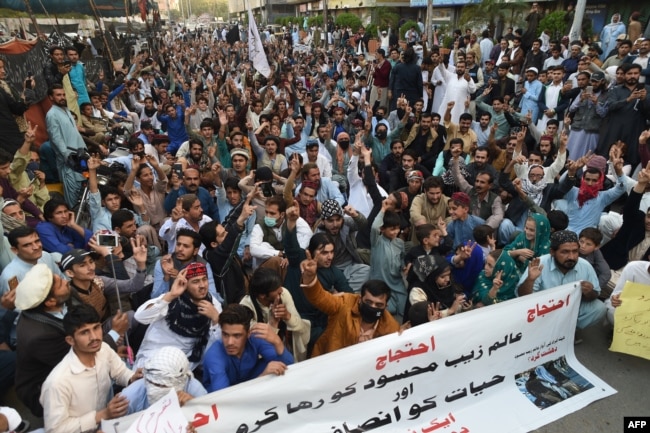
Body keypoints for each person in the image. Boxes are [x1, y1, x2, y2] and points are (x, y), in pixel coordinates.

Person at [40, 304, 142, 433]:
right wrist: (102, 415)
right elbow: (55, 429)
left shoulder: (103, 349)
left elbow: (121, 372)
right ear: (70, 340)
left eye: (96, 328)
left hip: (108, 424)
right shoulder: (57, 382)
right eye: (84, 332)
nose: (94, 337)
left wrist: (132, 377)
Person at [299, 251, 399, 357]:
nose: (372, 307)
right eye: (368, 302)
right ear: (360, 299)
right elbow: (320, 298)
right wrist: (310, 277)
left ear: (385, 307)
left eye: (378, 305)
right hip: (331, 364)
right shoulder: (345, 303)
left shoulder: (391, 327)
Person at [135, 263, 223, 369]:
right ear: (184, 284)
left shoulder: (213, 304)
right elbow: (140, 317)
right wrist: (171, 295)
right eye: (195, 281)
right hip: (154, 356)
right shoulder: (172, 299)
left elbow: (218, 343)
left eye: (204, 279)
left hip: (185, 362)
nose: (202, 285)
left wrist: (216, 319)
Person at [517, 230, 607, 330]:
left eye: (575, 251)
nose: (571, 257)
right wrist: (530, 280)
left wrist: (589, 292)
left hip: (569, 307)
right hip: (543, 309)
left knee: (599, 308)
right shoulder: (540, 264)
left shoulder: (585, 266)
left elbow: (595, 294)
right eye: (565, 252)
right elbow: (522, 298)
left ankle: (567, 331)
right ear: (552, 252)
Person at [202, 304, 294, 392]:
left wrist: (277, 342)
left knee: (275, 365)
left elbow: (289, 366)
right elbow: (224, 399)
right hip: (223, 397)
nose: (230, 342)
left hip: (250, 382)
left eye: (237, 336)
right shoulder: (214, 355)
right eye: (225, 335)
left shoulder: (255, 337)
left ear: (248, 333)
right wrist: (261, 379)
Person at [239, 267, 311, 361]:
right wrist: (273, 323)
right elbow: (259, 345)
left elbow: (300, 327)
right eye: (276, 289)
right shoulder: (245, 308)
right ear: (262, 295)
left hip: (284, 345)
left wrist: (288, 316)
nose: (281, 290)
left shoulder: (283, 294)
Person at [120, 346, 207, 414]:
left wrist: (195, 405)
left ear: (181, 381)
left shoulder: (195, 391)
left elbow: (212, 420)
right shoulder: (129, 397)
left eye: (164, 385)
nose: (156, 388)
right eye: (152, 382)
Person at [45, 84, 88, 208]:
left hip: (80, 159)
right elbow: (56, 138)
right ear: (51, 97)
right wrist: (67, 156)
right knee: (74, 200)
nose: (62, 97)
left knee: (84, 195)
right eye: (58, 95)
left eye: (63, 94)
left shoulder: (67, 111)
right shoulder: (52, 114)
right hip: (69, 163)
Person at [0, 57, 36, 156]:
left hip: (13, 135)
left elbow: (17, 109)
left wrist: (27, 90)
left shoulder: (2, 87)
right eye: (0, 68)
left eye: (3, 67)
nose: (3, 71)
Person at [605, 261, 650, 326]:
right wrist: (616, 299)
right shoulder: (634, 267)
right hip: (629, 306)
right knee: (612, 310)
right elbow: (617, 292)